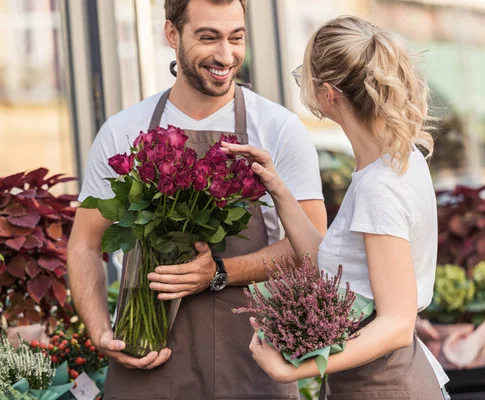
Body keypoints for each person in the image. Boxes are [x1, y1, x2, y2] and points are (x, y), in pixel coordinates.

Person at [67, 0, 327, 398]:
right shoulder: (124, 130)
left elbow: (311, 248)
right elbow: (85, 243)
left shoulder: (278, 129)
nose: (225, 55)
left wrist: (220, 271)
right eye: (208, 37)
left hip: (251, 367)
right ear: (172, 34)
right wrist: (100, 330)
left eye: (236, 38)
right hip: (148, 362)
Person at [221, 15, 450, 400]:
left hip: (387, 386)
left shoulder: (379, 187)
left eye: (303, 78)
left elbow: (395, 323)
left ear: (329, 94)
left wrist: (291, 368)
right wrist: (276, 186)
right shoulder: (393, 161)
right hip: (379, 382)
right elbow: (337, 268)